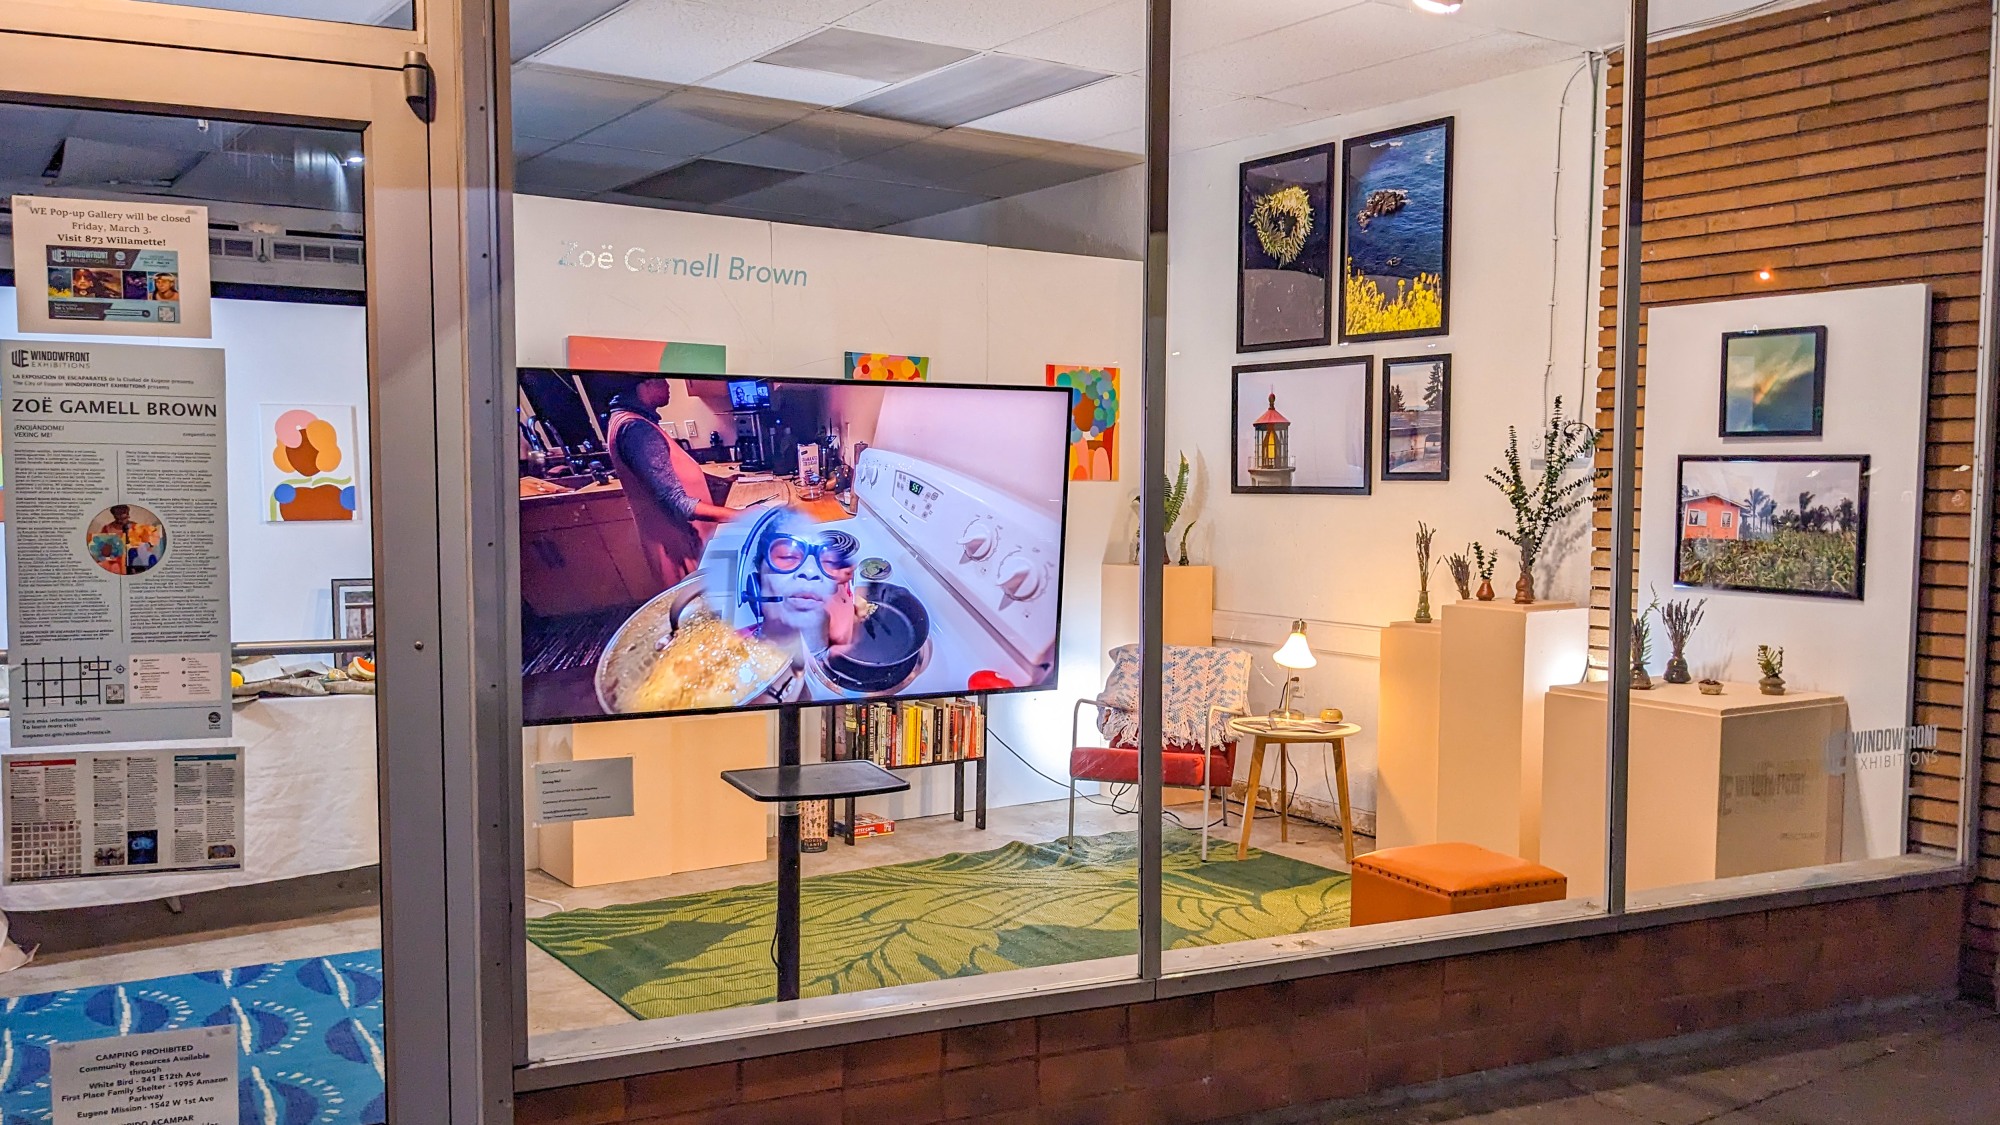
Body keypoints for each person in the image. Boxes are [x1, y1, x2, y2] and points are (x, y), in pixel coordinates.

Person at [605, 379, 737, 589]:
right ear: (645, 384)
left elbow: (665, 476)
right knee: (698, 600)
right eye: (662, 381)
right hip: (677, 544)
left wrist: (720, 481)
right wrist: (740, 515)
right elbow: (677, 502)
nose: (668, 386)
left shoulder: (628, 420)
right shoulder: (636, 428)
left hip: (672, 538)